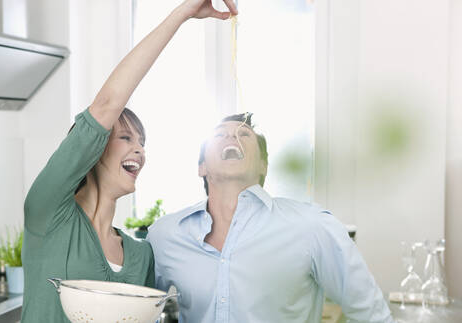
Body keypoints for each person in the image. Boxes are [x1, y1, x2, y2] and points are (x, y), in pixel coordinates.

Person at [21, 1, 238, 322]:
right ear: (91, 150)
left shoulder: (140, 254)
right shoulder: (49, 215)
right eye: (125, 138)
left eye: (142, 142)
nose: (139, 150)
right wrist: (182, 14)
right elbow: (107, 104)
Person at [147, 113, 396, 323]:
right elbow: (137, 312)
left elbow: (372, 315)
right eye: (219, 134)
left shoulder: (312, 226)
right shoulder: (165, 236)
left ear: (263, 165)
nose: (232, 136)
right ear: (201, 167)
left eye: (244, 134)